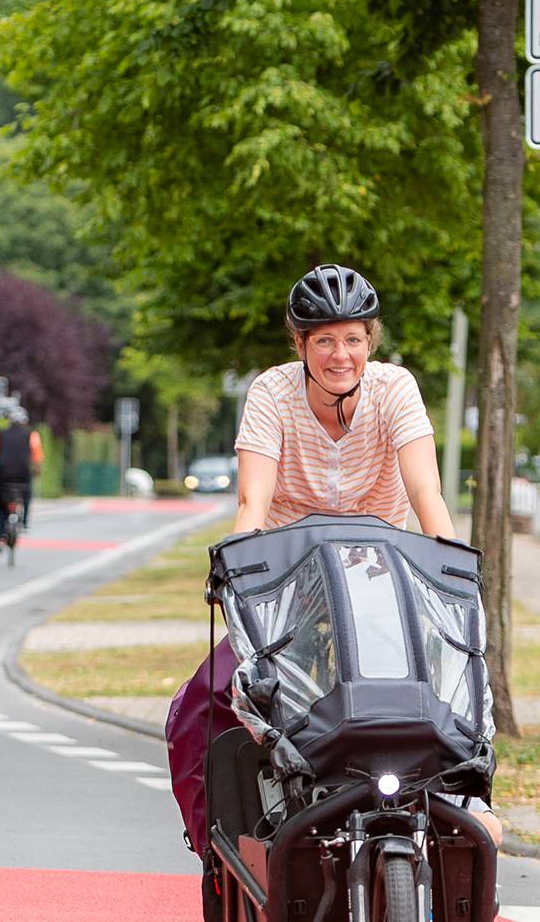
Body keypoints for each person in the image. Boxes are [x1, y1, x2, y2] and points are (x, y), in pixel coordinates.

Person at [167, 264, 497, 881]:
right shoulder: (271, 393)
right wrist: (238, 574)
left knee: (457, 700)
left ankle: (468, 835)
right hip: (290, 591)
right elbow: (252, 504)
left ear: (370, 341)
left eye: (351, 338)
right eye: (323, 340)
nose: (339, 354)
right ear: (300, 346)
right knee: (203, 706)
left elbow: (427, 493)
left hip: (384, 589)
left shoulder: (395, 389)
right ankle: (218, 856)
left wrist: (454, 575)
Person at [0, 405, 43, 551]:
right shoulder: (31, 435)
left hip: (4, 474)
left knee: (1, 507)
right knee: (27, 494)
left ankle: (0, 538)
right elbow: (37, 456)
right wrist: (36, 470)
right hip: (23, 474)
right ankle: (24, 521)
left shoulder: (0, 435)